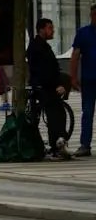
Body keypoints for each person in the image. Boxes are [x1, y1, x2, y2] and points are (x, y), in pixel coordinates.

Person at [29, 18, 72, 160]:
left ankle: (58, 143)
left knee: (57, 113)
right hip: (46, 87)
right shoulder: (39, 47)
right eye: (49, 28)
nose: (52, 30)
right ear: (41, 29)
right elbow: (45, 71)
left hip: (45, 85)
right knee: (55, 115)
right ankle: (57, 146)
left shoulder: (40, 46)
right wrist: (56, 85)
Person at [70, 0, 96, 158]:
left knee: (87, 112)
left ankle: (85, 145)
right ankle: (85, 145)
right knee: (87, 113)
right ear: (91, 15)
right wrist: (73, 77)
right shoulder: (83, 33)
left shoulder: (83, 32)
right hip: (89, 80)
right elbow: (75, 56)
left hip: (88, 79)